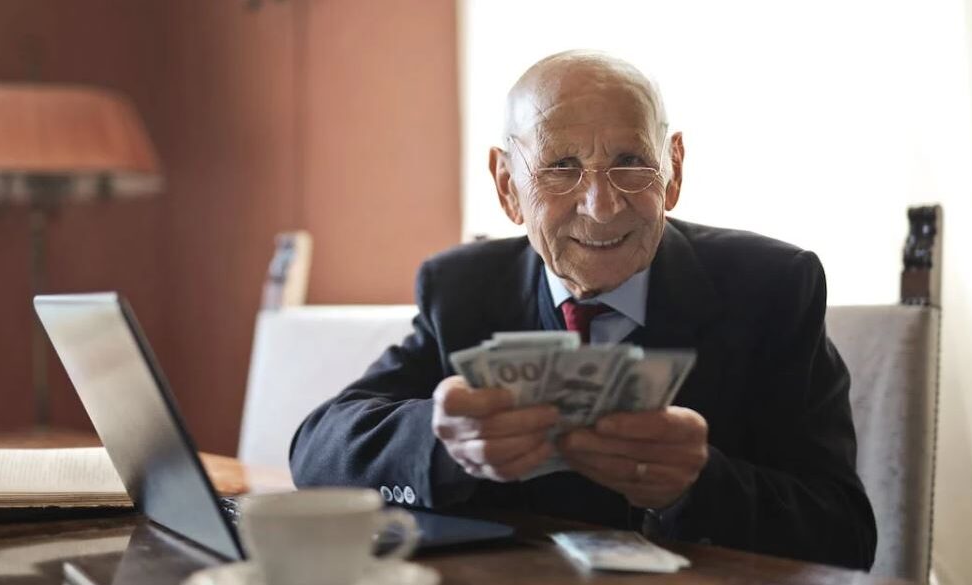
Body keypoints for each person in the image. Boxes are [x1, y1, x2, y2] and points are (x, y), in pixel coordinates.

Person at [290, 50, 876, 570]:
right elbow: (317, 452)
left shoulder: (772, 287)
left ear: (672, 171)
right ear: (506, 186)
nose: (600, 207)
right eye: (561, 167)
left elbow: (846, 534)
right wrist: (446, 445)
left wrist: (697, 487)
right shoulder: (464, 289)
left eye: (631, 162)